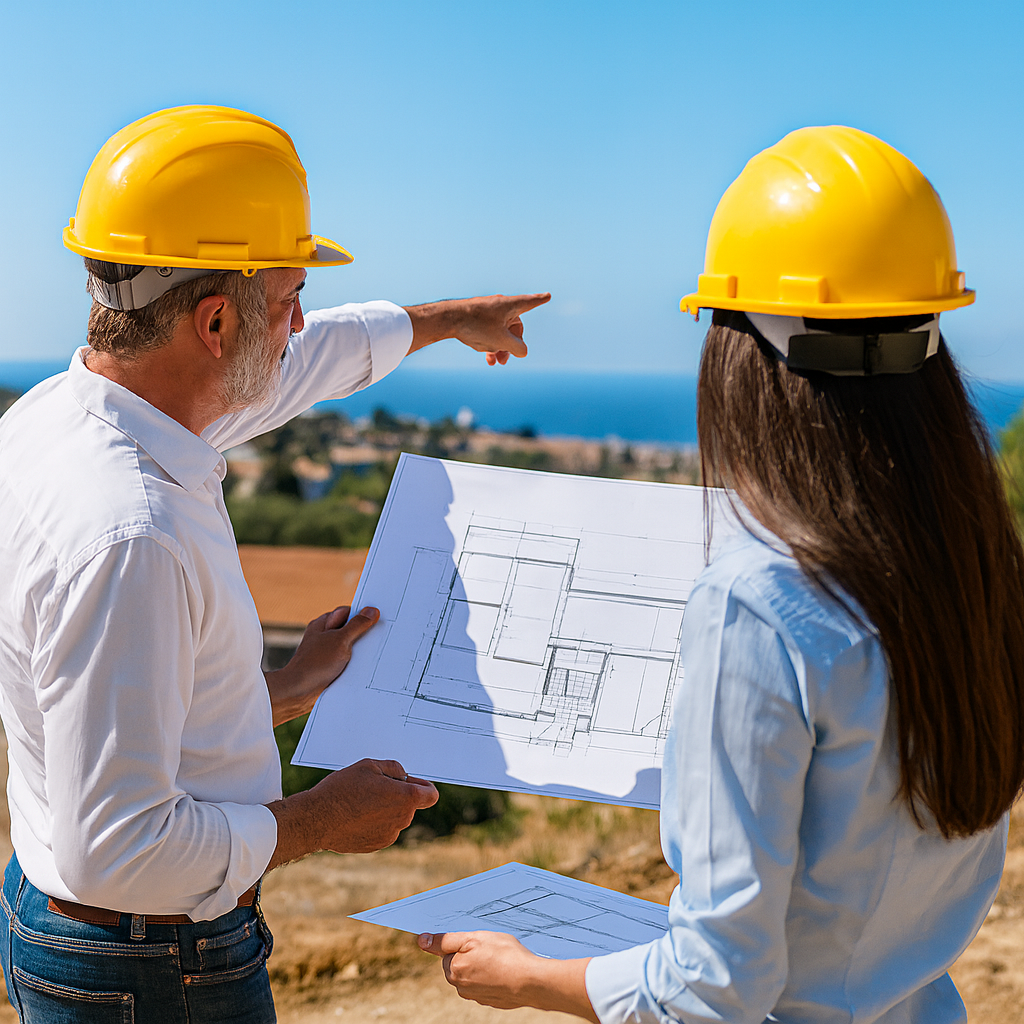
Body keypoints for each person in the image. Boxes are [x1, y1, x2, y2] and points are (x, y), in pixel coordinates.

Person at [417, 126, 1024, 1022]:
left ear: (746, 355)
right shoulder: (971, 562)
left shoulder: (759, 600)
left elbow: (716, 985)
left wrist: (528, 979)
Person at [0, 105, 549, 1022]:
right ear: (215, 321)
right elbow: (120, 848)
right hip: (153, 961)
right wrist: (323, 822)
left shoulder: (57, 417)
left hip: (71, 924)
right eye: (292, 296)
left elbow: (312, 362)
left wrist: (285, 690)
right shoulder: (132, 534)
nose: (300, 323)